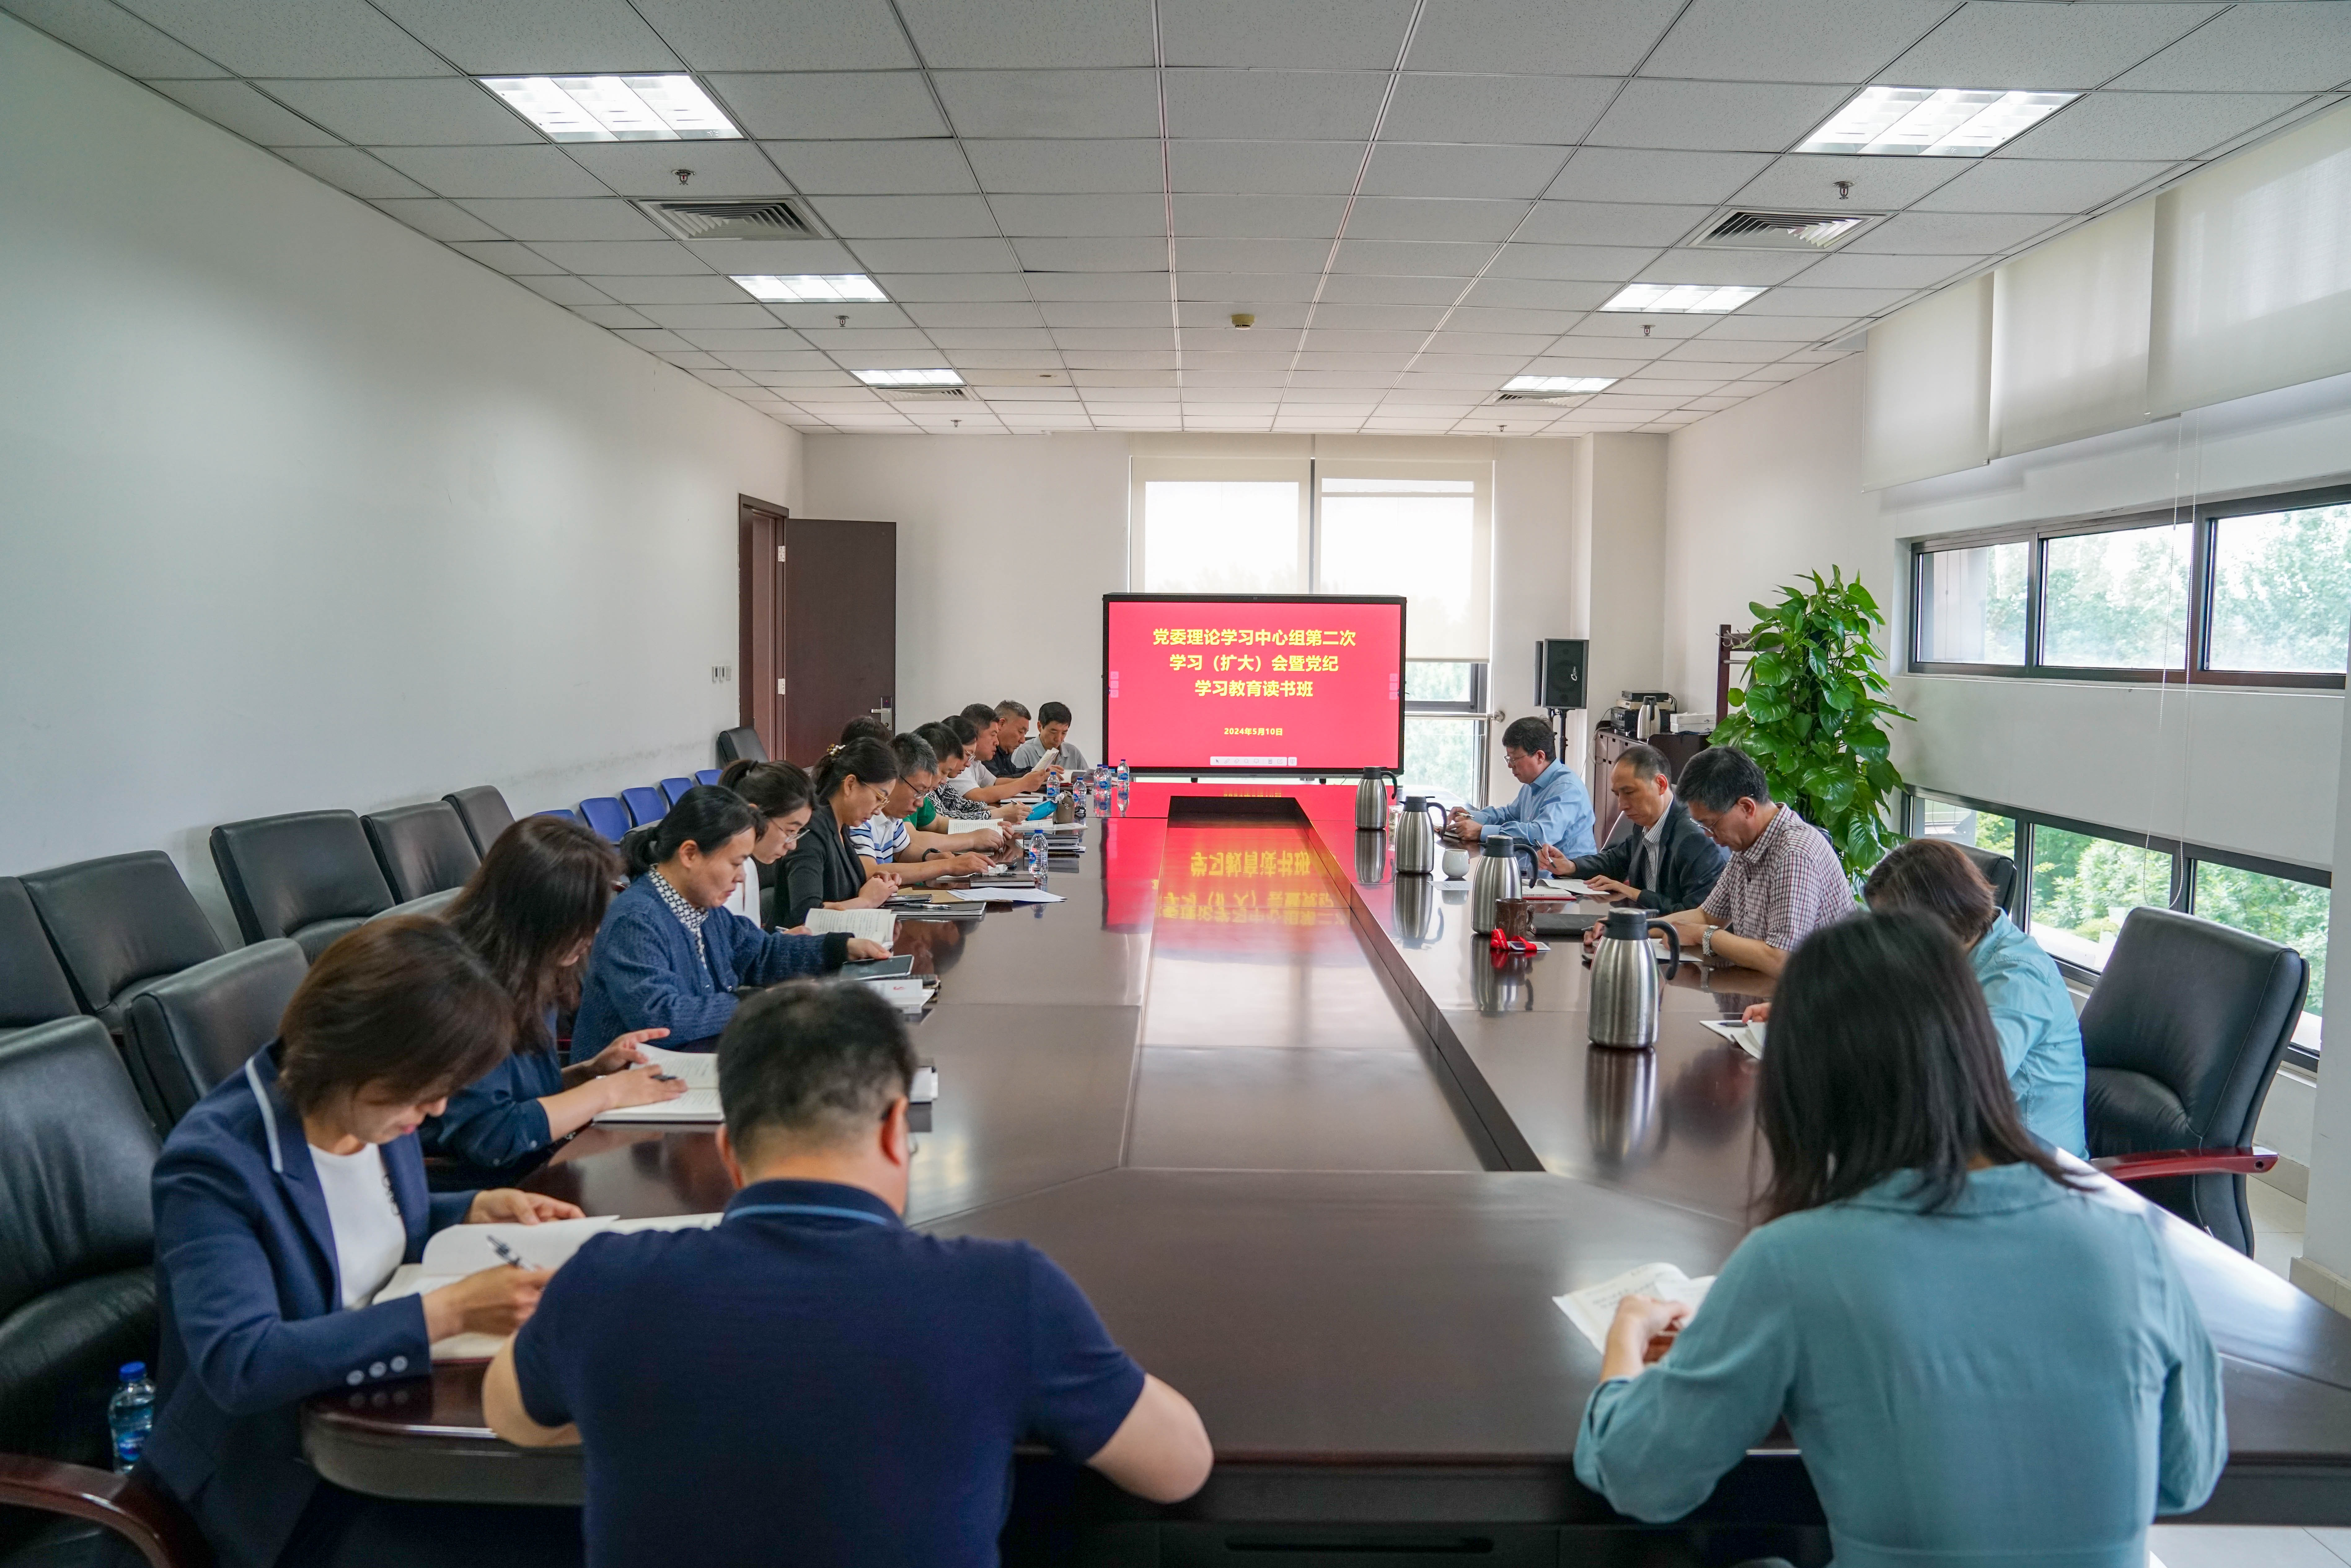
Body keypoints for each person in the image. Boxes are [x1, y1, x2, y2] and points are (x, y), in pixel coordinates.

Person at [483, 981, 1214, 1564]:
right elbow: (1178, 1465)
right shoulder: (1003, 1290)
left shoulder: (606, 1277)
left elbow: (511, 1414)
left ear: (728, 1148)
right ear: (898, 1129)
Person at [1574, 913, 2222, 1564]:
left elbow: (1639, 1478)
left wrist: (1628, 1332)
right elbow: (2183, 1478)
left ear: (1808, 1080)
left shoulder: (1797, 1261)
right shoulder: (2130, 1241)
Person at [148, 918, 589, 1568]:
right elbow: (242, 1364)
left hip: (380, 1419)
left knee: (592, 1514)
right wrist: (452, 1312)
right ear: (354, 1051)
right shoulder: (215, 1167)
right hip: (286, 1479)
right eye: (428, 1089)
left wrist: (470, 1206)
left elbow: (361, 1224)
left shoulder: (375, 1104)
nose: (437, 1111)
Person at [421, 817, 686, 1178]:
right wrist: (605, 1093)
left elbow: (517, 1097)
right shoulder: (456, 993)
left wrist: (589, 1072)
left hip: (541, 1166)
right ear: (541, 915)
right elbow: (493, 1136)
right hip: (487, 1192)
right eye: (583, 920)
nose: (593, 934)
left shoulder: (529, 971)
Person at [574, 786, 887, 1052]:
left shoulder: (705, 909)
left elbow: (761, 953)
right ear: (690, 854)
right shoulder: (637, 920)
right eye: (735, 863)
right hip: (626, 1097)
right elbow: (661, 1015)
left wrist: (839, 948)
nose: (740, 877)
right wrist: (753, 1002)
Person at [1866, 838, 2086, 1155]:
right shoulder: (1948, 952)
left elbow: (1966, 1081)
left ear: (1941, 917)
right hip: (1964, 1143)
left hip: (2030, 1167)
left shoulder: (2019, 977)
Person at [1658, 745, 1850, 977]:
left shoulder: (1795, 852)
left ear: (1747, 807)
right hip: (1767, 991)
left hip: (1822, 1000)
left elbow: (1780, 959)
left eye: (1711, 824)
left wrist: (1704, 935)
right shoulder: (1747, 845)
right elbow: (1708, 916)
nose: (1709, 835)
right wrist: (1636, 928)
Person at [1538, 742, 1725, 915]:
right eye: (1617, 794)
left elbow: (1692, 915)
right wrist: (1571, 866)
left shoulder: (1695, 839)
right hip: (1648, 930)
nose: (1622, 805)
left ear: (1661, 785)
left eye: (1629, 792)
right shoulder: (1646, 822)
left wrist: (1631, 892)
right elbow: (1616, 860)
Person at [780, 737, 906, 927]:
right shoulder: (810, 831)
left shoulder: (842, 826)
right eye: (879, 798)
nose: (878, 810)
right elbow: (805, 915)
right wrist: (866, 902)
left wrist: (872, 884)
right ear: (850, 785)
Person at [850, 732, 1004, 886]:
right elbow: (871, 872)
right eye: (919, 792)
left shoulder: (892, 814)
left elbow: (904, 850)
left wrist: (930, 857)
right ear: (894, 779)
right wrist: (947, 866)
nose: (921, 804)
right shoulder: (861, 815)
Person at [1446, 716, 1597, 872]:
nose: (1511, 766)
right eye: (1508, 759)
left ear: (1540, 757)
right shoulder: (1534, 782)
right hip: (1538, 873)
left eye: (1514, 759)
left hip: (1570, 881)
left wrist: (1481, 832)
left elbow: (1541, 834)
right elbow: (1509, 815)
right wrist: (1471, 817)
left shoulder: (1567, 789)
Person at [717, 757, 816, 927]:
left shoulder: (748, 866)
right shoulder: (711, 877)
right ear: (754, 815)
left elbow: (747, 946)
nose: (793, 845)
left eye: (798, 833)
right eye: (790, 831)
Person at [950, 702, 1052, 806]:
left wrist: (1031, 779)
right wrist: (1024, 784)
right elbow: (977, 797)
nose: (997, 742)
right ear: (974, 734)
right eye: (993, 734)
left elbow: (995, 782)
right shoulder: (958, 761)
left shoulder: (976, 761)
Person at [924, 717, 1025, 823]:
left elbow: (961, 804)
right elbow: (942, 819)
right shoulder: (925, 787)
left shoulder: (943, 780)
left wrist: (990, 810)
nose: (968, 764)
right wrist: (996, 815)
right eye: (968, 755)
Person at [1011, 699, 1087, 773]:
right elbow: (1016, 784)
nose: (1058, 739)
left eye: (1064, 733)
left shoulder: (1073, 752)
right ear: (1040, 727)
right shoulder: (1024, 753)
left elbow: (1089, 781)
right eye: (1053, 732)